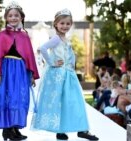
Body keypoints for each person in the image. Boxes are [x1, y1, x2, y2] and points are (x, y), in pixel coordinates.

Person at [31, 9, 98, 141]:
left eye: (68, 23)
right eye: (62, 23)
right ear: (56, 24)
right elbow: (43, 48)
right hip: (59, 76)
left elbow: (69, 55)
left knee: (74, 101)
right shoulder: (56, 38)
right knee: (61, 102)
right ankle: (62, 131)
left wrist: (72, 67)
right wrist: (51, 62)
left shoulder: (65, 39)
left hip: (68, 75)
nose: (65, 26)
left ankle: (81, 129)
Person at [0, 1, 39, 140]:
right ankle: (7, 129)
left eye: (16, 15)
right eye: (10, 15)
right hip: (7, 70)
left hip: (21, 71)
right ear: (6, 18)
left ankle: (16, 128)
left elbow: (29, 57)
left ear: (21, 17)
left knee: (20, 99)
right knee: (7, 98)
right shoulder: (2, 35)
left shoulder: (25, 35)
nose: (14, 18)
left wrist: (32, 74)